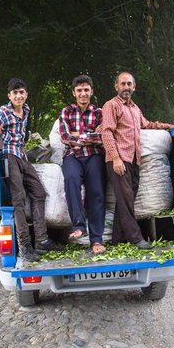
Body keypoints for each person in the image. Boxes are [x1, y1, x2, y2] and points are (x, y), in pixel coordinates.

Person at [0, 78, 64, 262]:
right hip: (8, 155)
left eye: (21, 93)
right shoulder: (2, 112)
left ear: (26, 95)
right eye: (15, 93)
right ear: (9, 96)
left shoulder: (26, 110)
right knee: (18, 198)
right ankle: (25, 245)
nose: (18, 96)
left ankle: (42, 240)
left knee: (38, 192)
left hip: (21, 156)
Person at [102, 72, 174, 249]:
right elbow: (107, 132)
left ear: (134, 87)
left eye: (129, 84)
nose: (126, 87)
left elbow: (147, 124)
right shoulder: (111, 105)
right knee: (126, 198)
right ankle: (135, 238)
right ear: (116, 87)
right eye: (123, 84)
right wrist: (115, 158)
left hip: (134, 161)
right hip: (119, 160)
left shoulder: (135, 109)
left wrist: (168, 126)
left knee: (126, 199)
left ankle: (117, 239)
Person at [59, 75, 106, 254]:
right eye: (79, 90)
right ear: (74, 93)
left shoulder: (99, 113)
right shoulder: (66, 112)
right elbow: (65, 137)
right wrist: (89, 135)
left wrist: (78, 136)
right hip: (72, 156)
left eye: (86, 90)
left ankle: (96, 240)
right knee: (71, 180)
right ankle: (78, 226)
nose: (83, 93)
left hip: (94, 156)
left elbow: (101, 138)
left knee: (97, 192)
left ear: (91, 92)